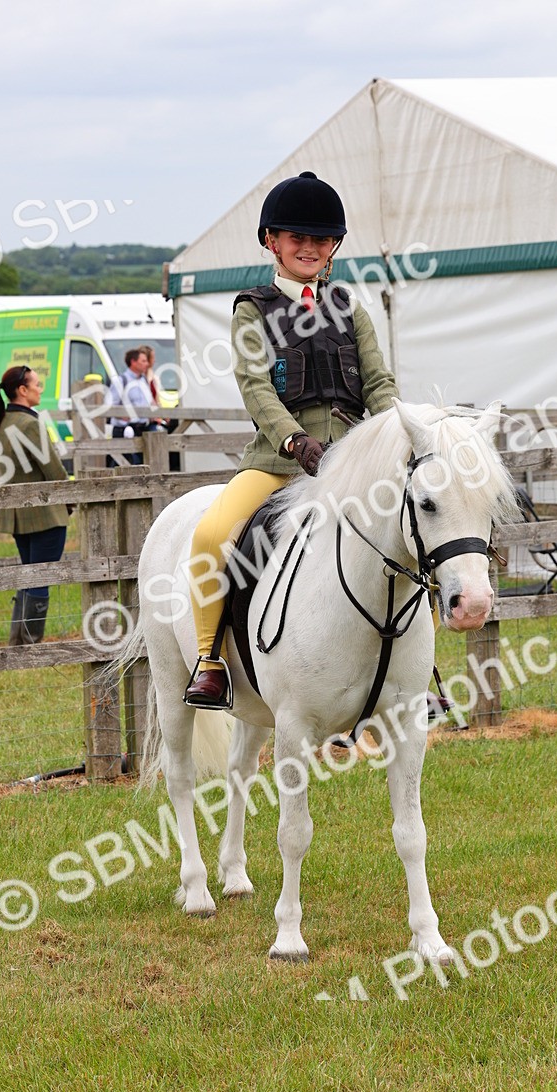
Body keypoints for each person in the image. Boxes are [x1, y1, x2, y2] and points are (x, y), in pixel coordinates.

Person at [184, 170, 400, 707]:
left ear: (334, 248)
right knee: (213, 535)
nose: (309, 248)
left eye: (320, 240)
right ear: (271, 242)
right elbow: (256, 389)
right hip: (278, 462)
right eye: (296, 238)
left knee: (414, 528)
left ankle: (419, 671)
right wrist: (296, 441)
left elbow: (378, 382)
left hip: (350, 461)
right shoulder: (251, 310)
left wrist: (400, 431)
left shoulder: (350, 308)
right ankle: (210, 660)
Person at [0, 364, 70, 645]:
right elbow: (54, 471)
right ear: (22, 390)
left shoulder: (5, 421)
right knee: (39, 579)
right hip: (44, 515)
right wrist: (71, 499)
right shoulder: (30, 424)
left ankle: (18, 640)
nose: (39, 389)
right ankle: (30, 643)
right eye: (37, 384)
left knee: (28, 577)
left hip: (19, 516)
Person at [109, 347, 167, 465]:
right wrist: (122, 415)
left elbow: (150, 402)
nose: (147, 364)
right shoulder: (121, 381)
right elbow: (111, 406)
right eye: (143, 361)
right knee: (125, 464)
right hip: (125, 431)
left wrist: (156, 415)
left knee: (145, 463)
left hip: (142, 428)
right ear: (133, 362)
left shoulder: (144, 380)